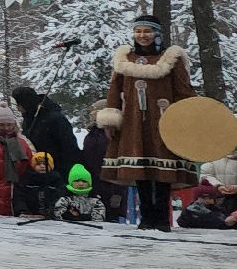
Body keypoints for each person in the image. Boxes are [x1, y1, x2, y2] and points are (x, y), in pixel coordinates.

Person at [98, 14, 197, 231]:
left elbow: (183, 90)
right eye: (138, 31)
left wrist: (188, 116)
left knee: (163, 172)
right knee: (140, 171)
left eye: (147, 31)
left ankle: (162, 219)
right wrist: (110, 119)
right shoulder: (124, 59)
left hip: (163, 120)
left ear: (157, 34)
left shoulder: (171, 59)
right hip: (134, 123)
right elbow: (114, 90)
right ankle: (147, 218)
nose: (142, 35)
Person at [10, 85, 79, 176]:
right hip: (37, 172)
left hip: (57, 172)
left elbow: (69, 148)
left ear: (26, 103)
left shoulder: (55, 119)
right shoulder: (28, 117)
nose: (18, 109)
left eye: (18, 105)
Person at [0, 105, 35, 217]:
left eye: (9, 124)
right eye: (1, 125)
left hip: (15, 195)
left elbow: (31, 166)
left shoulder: (23, 142)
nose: (6, 128)